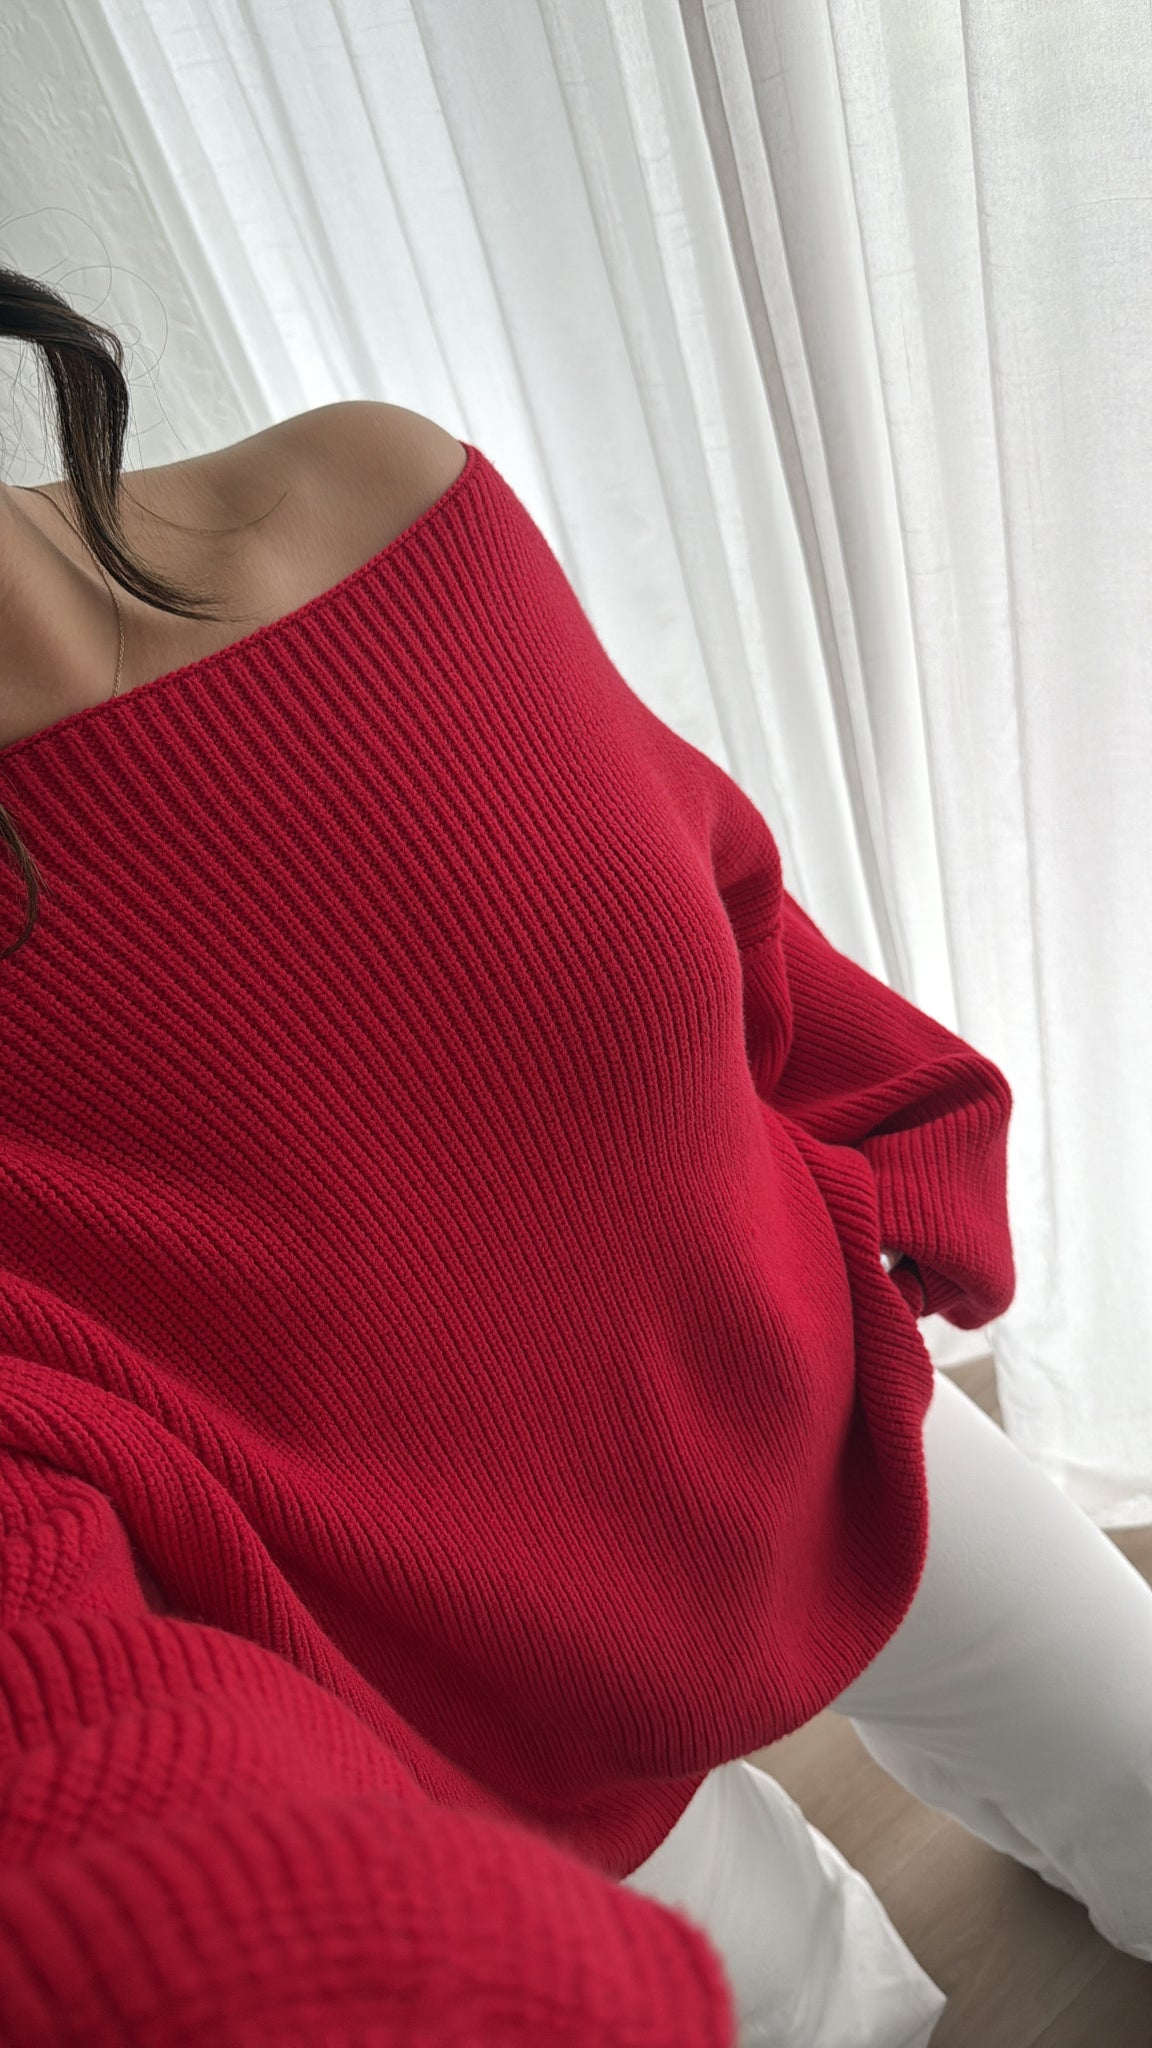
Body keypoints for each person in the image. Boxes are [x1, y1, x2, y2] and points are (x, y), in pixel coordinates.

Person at [1, 267, 1149, 2048]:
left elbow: (719, 899)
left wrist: (909, 1159)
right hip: (428, 1690)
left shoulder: (383, 499)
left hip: (810, 1403)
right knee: (824, 2017)